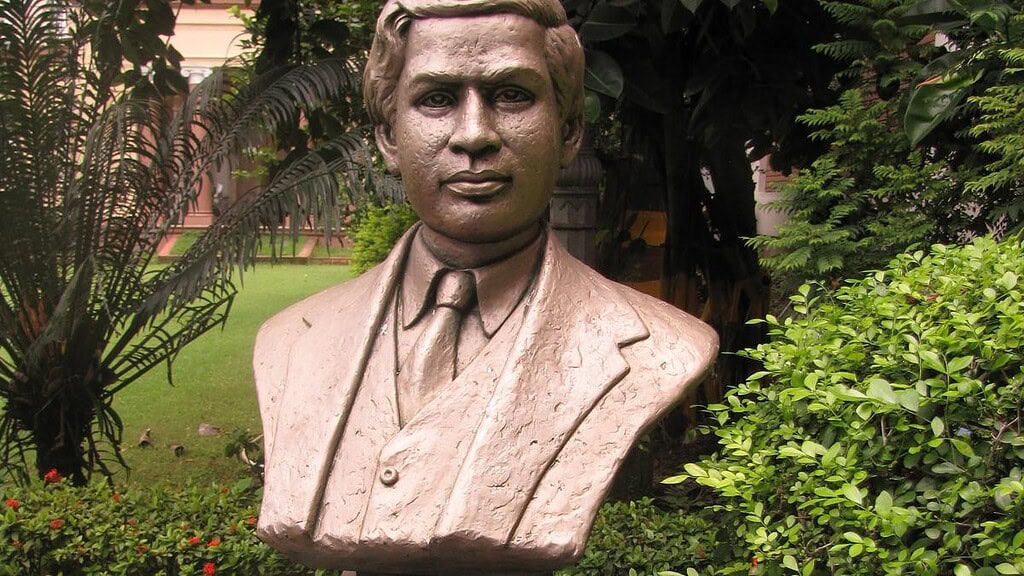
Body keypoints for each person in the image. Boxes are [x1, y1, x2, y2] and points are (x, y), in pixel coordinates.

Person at [253, 0, 718, 573]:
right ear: (388, 138)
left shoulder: (662, 347)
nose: (474, 135)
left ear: (569, 131)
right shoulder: (291, 341)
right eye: (437, 99)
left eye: (511, 95)